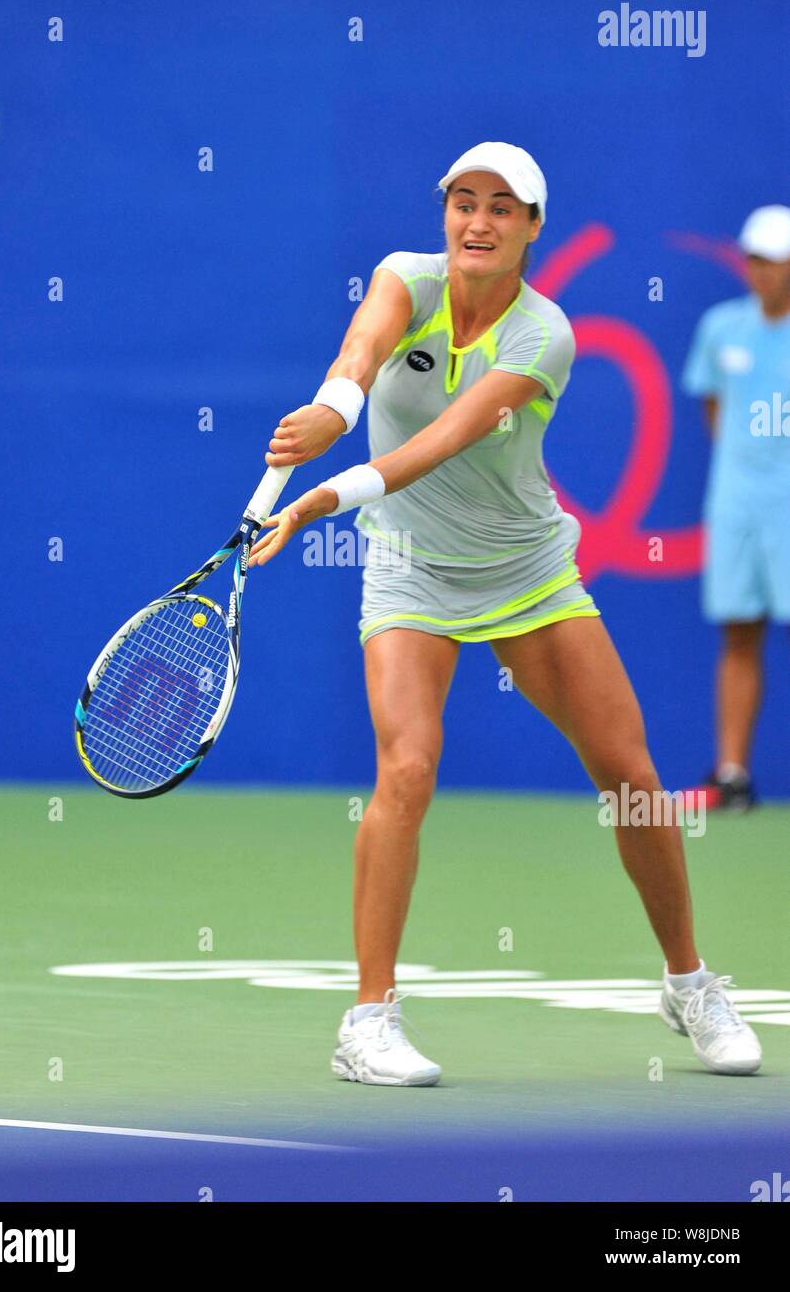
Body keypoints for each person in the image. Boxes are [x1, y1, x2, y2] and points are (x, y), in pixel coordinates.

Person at [249, 142, 762, 1083]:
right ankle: (369, 1021)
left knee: (631, 773)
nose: (477, 223)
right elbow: (361, 350)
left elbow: (443, 440)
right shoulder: (405, 277)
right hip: (409, 571)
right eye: (463, 203)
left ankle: (689, 982)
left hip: (526, 571)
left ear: (533, 228)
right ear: (444, 212)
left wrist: (323, 497)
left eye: (501, 209)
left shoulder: (545, 334)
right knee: (405, 766)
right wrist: (335, 404)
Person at [681, 205, 790, 812]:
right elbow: (716, 413)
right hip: (738, 506)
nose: (760, 270)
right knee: (739, 634)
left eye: (772, 261)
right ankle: (732, 776)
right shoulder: (721, 328)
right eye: (753, 258)